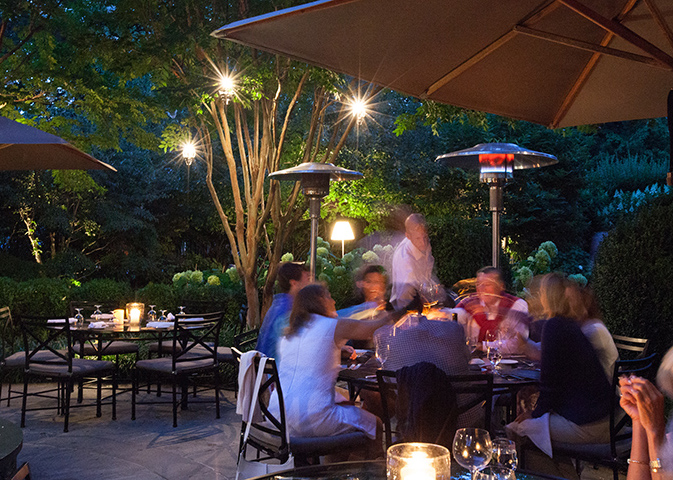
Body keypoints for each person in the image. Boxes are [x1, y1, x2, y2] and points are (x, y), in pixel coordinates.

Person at [270, 283, 419, 457]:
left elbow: (307, 354)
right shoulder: (333, 325)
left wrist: (337, 352)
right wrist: (405, 310)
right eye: (329, 296)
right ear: (319, 301)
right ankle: (368, 473)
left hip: (278, 416)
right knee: (375, 424)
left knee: (346, 407)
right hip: (310, 420)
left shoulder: (289, 333)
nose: (333, 301)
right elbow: (374, 328)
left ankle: (337, 465)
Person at [507, 273, 613, 459]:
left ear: (548, 296)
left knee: (515, 430)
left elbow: (550, 386)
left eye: (541, 292)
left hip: (587, 423)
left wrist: (534, 414)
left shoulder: (554, 326)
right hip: (603, 416)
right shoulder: (567, 325)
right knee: (527, 424)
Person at [456, 266, 529, 349]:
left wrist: (482, 346)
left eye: (487, 284)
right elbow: (451, 318)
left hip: (508, 360)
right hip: (473, 361)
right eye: (478, 284)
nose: (482, 289)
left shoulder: (516, 305)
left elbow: (518, 344)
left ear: (501, 286)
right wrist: (442, 313)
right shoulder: (469, 305)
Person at [255, 262, 310, 359]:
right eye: (308, 279)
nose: (311, 283)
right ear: (294, 283)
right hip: (273, 370)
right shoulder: (287, 309)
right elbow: (299, 345)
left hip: (266, 365)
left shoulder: (281, 302)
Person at [390, 213, 440, 308]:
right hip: (406, 307)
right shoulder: (405, 261)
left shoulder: (424, 242)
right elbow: (405, 298)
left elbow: (427, 275)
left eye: (425, 237)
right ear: (408, 236)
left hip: (423, 298)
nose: (423, 242)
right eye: (418, 238)